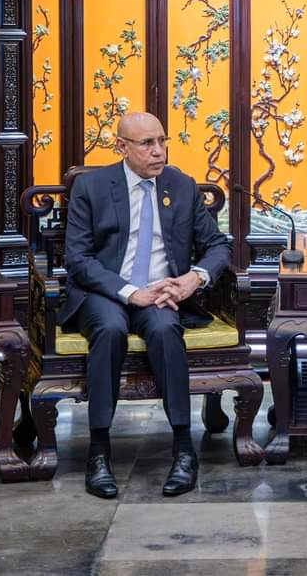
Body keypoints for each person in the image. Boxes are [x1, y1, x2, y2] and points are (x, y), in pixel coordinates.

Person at [60, 112, 231, 499]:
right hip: (105, 293)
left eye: (162, 141)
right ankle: (99, 452)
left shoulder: (181, 186)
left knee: (166, 328)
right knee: (109, 329)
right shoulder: (92, 187)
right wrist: (128, 292)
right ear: (121, 147)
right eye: (147, 143)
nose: (158, 151)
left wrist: (193, 279)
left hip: (162, 292)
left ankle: (184, 449)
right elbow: (78, 259)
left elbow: (218, 246)